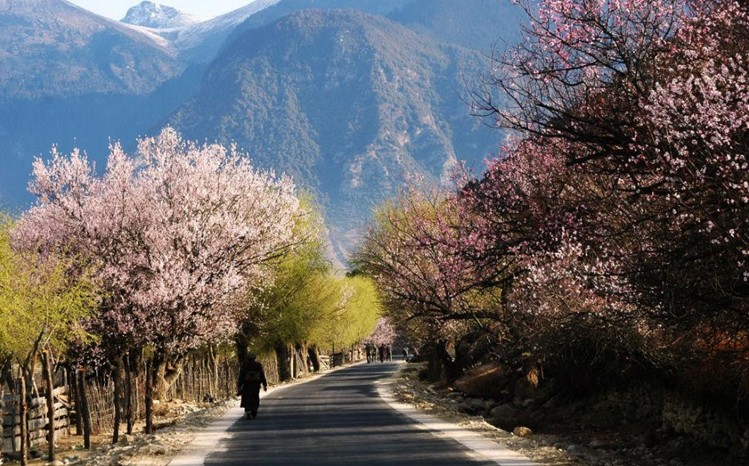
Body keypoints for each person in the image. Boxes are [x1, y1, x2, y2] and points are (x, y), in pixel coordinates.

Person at [237, 353, 268, 419]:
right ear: (254, 358)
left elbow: (241, 376)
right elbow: (262, 376)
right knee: (255, 396)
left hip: (247, 384)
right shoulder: (258, 365)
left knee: (246, 397)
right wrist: (264, 385)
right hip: (256, 384)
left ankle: (248, 410)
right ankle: (254, 409)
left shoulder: (244, 365)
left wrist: (239, 385)